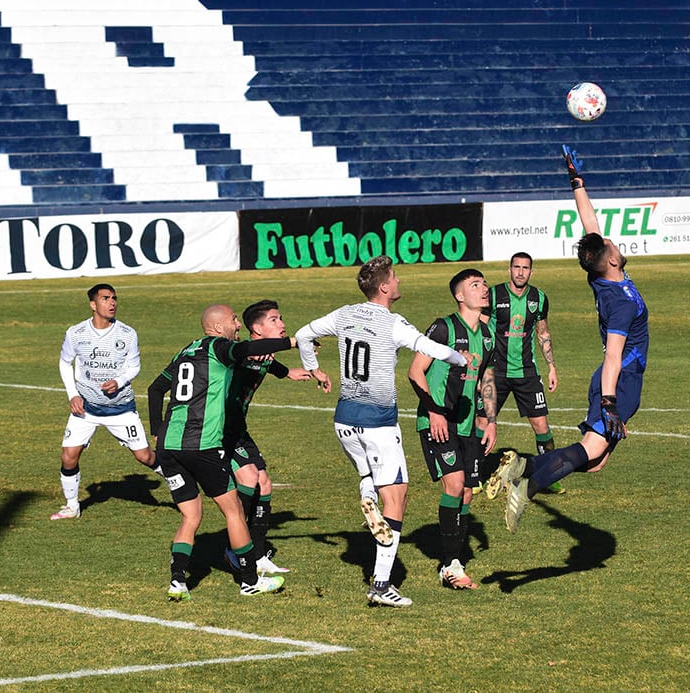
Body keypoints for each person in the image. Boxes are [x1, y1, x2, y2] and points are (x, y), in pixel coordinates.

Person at [294, 255, 470, 608]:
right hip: (378, 423)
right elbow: (430, 348)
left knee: (369, 474)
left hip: (344, 419)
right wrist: (462, 359)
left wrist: (314, 369)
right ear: (385, 287)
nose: (400, 281)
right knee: (398, 496)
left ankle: (367, 493)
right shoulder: (392, 323)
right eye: (396, 277)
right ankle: (380, 584)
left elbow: (302, 335)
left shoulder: (343, 314)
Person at [490, 146, 649, 533]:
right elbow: (614, 356)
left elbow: (590, 226)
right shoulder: (620, 303)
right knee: (591, 451)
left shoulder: (603, 276)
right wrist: (610, 403)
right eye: (611, 245)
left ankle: (525, 467)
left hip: (613, 379)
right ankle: (526, 482)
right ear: (610, 259)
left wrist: (576, 181)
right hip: (620, 380)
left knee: (594, 462)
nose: (613, 242)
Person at [147, 304, 296, 600]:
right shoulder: (219, 347)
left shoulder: (184, 352)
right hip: (201, 446)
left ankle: (178, 582)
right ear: (216, 327)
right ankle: (249, 581)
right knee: (234, 512)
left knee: (190, 516)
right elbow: (247, 351)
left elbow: (154, 389)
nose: (237, 324)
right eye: (233, 320)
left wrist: (156, 429)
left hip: (168, 447)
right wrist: (292, 342)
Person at [408, 268, 497, 590]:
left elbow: (486, 377)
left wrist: (489, 420)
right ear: (460, 296)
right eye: (475, 285)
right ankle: (449, 566)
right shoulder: (443, 328)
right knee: (455, 484)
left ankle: (454, 559)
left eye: (484, 284)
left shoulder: (487, 334)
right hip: (438, 421)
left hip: (468, 423)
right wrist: (434, 412)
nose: (483, 289)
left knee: (468, 492)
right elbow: (415, 371)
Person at [223, 299, 322, 577]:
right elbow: (255, 353)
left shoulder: (263, 355)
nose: (282, 324)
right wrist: (295, 342)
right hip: (219, 430)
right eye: (275, 320)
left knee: (264, 484)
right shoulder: (241, 351)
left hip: (238, 428)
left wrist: (287, 372)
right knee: (249, 479)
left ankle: (257, 553)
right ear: (256, 328)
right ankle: (235, 549)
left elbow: (267, 359)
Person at [52, 283, 162, 520]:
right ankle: (72, 506)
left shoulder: (127, 334)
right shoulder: (76, 333)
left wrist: (119, 380)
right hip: (86, 409)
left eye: (114, 298)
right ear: (93, 304)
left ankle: (178, 478)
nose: (112, 303)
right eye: (105, 298)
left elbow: (134, 366)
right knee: (68, 456)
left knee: (145, 457)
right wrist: (73, 394)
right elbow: (64, 362)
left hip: (120, 409)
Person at [480, 252, 563, 495]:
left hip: (527, 372)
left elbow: (543, 333)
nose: (520, 272)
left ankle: (549, 476)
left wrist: (552, 367)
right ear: (509, 269)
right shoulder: (494, 295)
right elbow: (482, 329)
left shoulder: (538, 298)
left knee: (541, 424)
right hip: (496, 371)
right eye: (516, 267)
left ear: (531, 272)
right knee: (482, 422)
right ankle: (475, 476)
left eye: (525, 268)